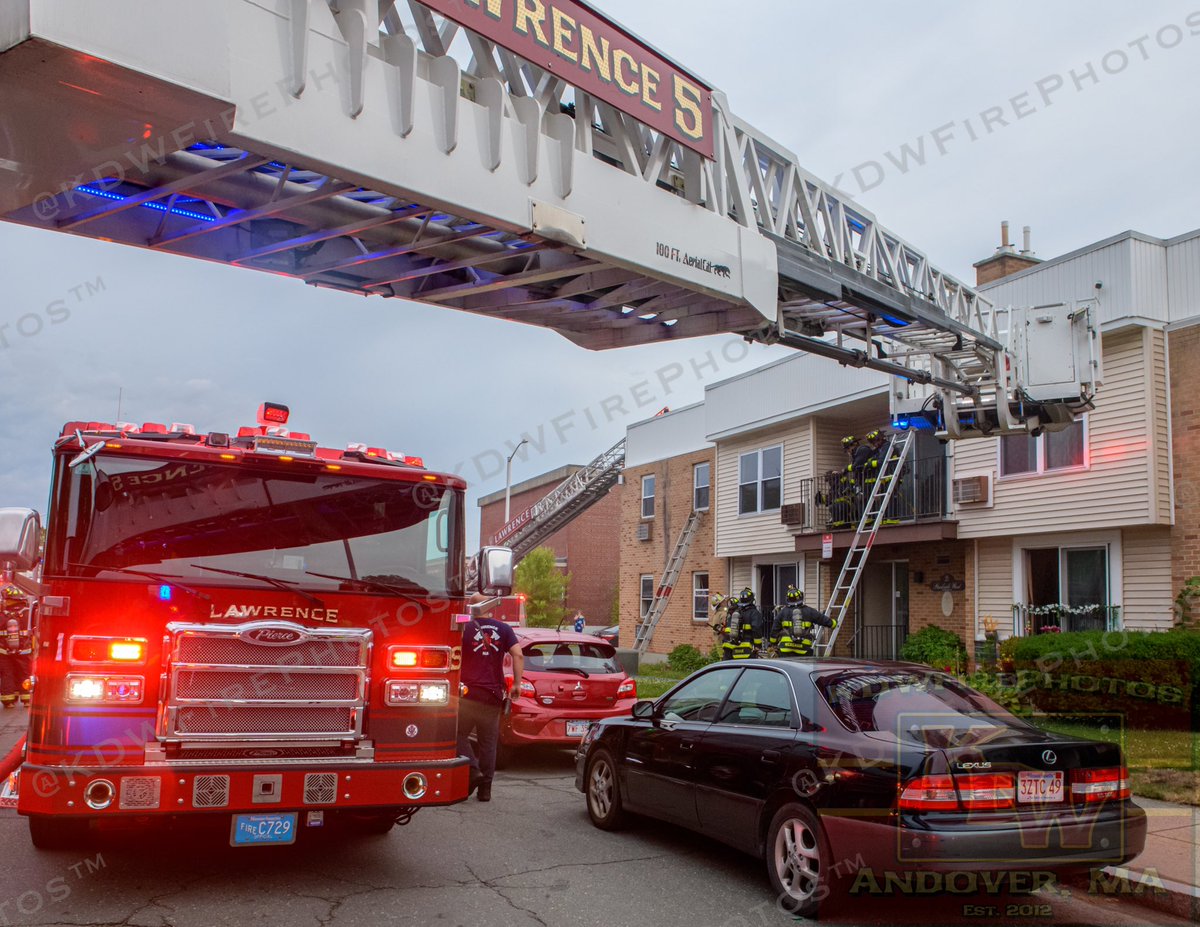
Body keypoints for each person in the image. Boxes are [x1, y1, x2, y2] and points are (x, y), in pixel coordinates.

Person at [457, 593, 524, 802]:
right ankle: (485, 789)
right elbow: (518, 654)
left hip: (468, 693)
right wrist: (518, 684)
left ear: (471, 607)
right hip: (493, 694)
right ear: (490, 607)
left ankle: (472, 770)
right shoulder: (504, 629)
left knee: (456, 735)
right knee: (488, 743)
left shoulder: (464, 627)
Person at [772, 586, 836, 658]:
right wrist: (833, 623)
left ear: (787, 599)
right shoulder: (809, 611)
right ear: (801, 597)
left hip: (785, 649)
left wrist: (773, 643)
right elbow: (822, 619)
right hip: (804, 649)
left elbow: (774, 629)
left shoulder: (783, 612)